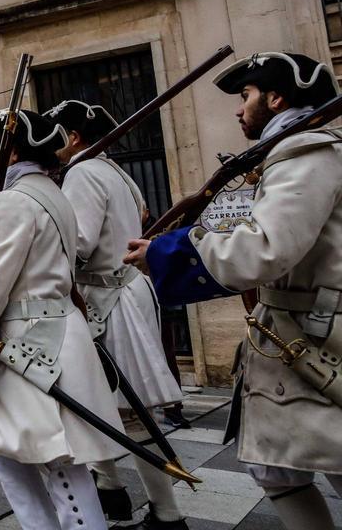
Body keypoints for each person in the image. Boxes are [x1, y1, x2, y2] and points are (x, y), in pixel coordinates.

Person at [125, 51, 342, 530]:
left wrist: (165, 252)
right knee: (276, 469)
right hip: (296, 334)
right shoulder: (303, 151)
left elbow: (268, 246)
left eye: (246, 96)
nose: (238, 108)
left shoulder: (306, 152)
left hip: (317, 336)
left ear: (276, 97)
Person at [0, 108, 125, 530]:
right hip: (53, 333)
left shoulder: (13, 201)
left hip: (32, 341)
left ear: (13, 154)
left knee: (55, 461)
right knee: (10, 453)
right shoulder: (53, 193)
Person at [46, 100, 189, 529]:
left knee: (132, 410)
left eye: (54, 133)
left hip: (108, 300)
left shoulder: (83, 172)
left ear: (72, 138)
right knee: (101, 400)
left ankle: (167, 514)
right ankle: (110, 490)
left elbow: (80, 243)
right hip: (122, 294)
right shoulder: (116, 173)